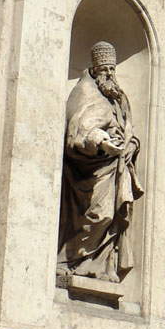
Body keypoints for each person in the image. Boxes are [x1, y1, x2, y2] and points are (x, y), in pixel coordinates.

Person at [61, 40, 142, 282]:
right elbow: (79, 129)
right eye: (105, 69)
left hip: (115, 168)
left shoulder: (117, 98)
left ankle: (95, 265)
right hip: (90, 169)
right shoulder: (85, 92)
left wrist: (131, 145)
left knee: (111, 217)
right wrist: (101, 142)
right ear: (95, 70)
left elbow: (129, 130)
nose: (109, 74)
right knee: (100, 214)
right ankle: (68, 259)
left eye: (112, 70)